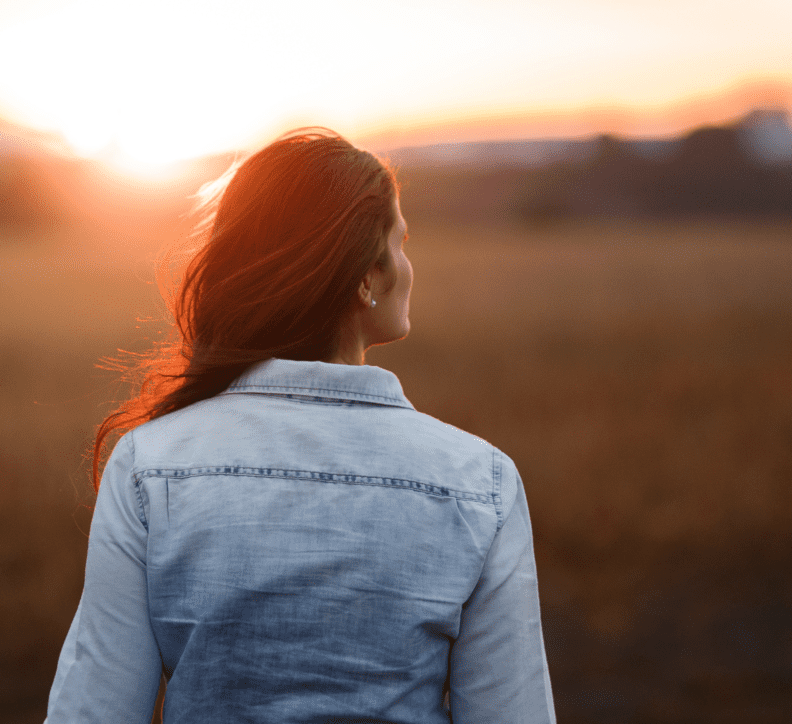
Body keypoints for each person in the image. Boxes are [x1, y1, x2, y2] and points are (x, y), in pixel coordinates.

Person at [45, 128, 555, 723]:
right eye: (401, 241)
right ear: (369, 273)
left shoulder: (149, 467)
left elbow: (95, 710)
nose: (409, 265)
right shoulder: (481, 483)